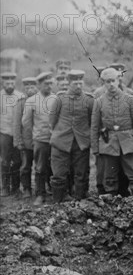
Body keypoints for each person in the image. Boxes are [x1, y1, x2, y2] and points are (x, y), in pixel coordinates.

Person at [91, 67, 133, 196]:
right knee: (109, 178)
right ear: (103, 83)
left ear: (118, 81)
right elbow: (95, 127)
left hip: (129, 143)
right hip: (108, 143)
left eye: (113, 81)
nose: (111, 84)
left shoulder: (130, 99)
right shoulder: (99, 102)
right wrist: (95, 147)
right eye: (107, 82)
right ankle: (111, 205)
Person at [48, 70, 95, 202]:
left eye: (81, 83)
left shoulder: (89, 100)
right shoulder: (59, 99)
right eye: (75, 83)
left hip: (81, 143)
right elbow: (52, 121)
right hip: (61, 142)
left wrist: (86, 136)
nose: (79, 86)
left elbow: (92, 122)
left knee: (81, 173)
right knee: (59, 174)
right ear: (69, 84)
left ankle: (80, 199)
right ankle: (58, 201)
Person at [22, 72, 56, 205]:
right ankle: (40, 194)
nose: (49, 86)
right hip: (40, 140)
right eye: (46, 84)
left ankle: (56, 191)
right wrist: (35, 135)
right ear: (39, 85)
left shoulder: (56, 99)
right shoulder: (31, 101)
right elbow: (26, 122)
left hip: (55, 140)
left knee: (55, 167)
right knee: (40, 168)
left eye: (50, 83)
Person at [0, 71, 25, 197]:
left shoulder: (21, 96)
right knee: (5, 161)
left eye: (12, 83)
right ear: (2, 83)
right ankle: (5, 187)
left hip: (17, 134)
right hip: (4, 134)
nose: (10, 85)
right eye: (7, 83)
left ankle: (15, 187)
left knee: (17, 161)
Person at [13, 77, 38, 198]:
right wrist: (18, 141)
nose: (30, 90)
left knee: (41, 166)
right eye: (27, 88)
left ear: (37, 87)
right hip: (26, 141)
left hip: (40, 140)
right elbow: (17, 123)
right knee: (25, 166)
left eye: (32, 87)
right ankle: (27, 188)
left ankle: (41, 189)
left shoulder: (42, 100)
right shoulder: (21, 102)